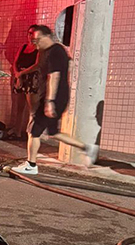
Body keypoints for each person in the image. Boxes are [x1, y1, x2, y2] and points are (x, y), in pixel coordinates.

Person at [12, 25, 98, 175]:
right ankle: (87, 148)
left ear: (47, 37)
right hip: (56, 96)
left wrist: (49, 102)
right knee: (53, 132)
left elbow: (54, 76)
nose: (35, 43)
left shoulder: (55, 51)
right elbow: (42, 65)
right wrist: (22, 73)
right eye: (34, 41)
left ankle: (31, 165)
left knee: (34, 130)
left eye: (38, 40)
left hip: (55, 97)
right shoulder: (47, 51)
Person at [7, 25, 41, 140]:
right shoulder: (23, 47)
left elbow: (37, 65)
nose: (31, 36)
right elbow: (15, 62)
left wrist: (22, 73)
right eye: (29, 33)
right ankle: (17, 132)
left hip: (31, 79)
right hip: (20, 78)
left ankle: (32, 133)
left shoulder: (39, 49)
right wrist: (17, 74)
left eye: (34, 33)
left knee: (32, 108)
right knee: (19, 107)